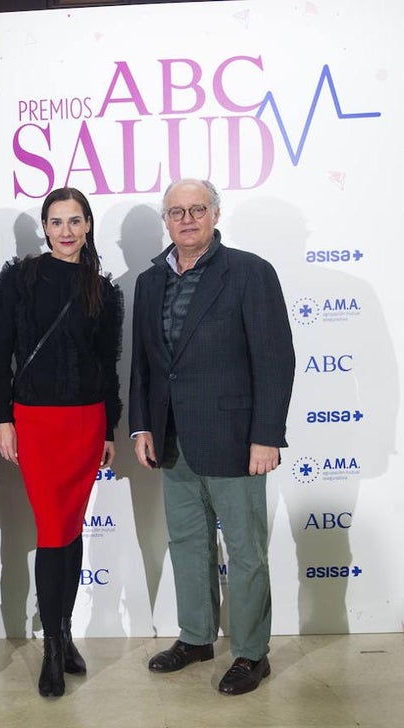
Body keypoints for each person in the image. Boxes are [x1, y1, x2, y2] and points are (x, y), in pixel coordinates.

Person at [129, 178, 295, 695]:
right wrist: (142, 426)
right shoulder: (150, 280)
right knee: (187, 543)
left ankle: (250, 652)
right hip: (172, 439)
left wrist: (266, 435)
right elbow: (144, 366)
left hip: (236, 439)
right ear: (167, 220)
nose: (186, 219)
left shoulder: (250, 272)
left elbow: (275, 359)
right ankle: (196, 637)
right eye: (176, 211)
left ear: (215, 214)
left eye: (197, 209)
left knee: (245, 550)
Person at [0, 187, 123, 698]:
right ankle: (52, 648)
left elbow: (108, 365)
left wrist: (109, 428)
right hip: (36, 421)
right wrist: (3, 418)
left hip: (87, 423)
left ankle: (64, 636)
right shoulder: (21, 279)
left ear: (88, 226)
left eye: (75, 220)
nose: (65, 230)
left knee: (70, 527)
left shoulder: (104, 290)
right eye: (56, 221)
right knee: (52, 529)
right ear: (45, 228)